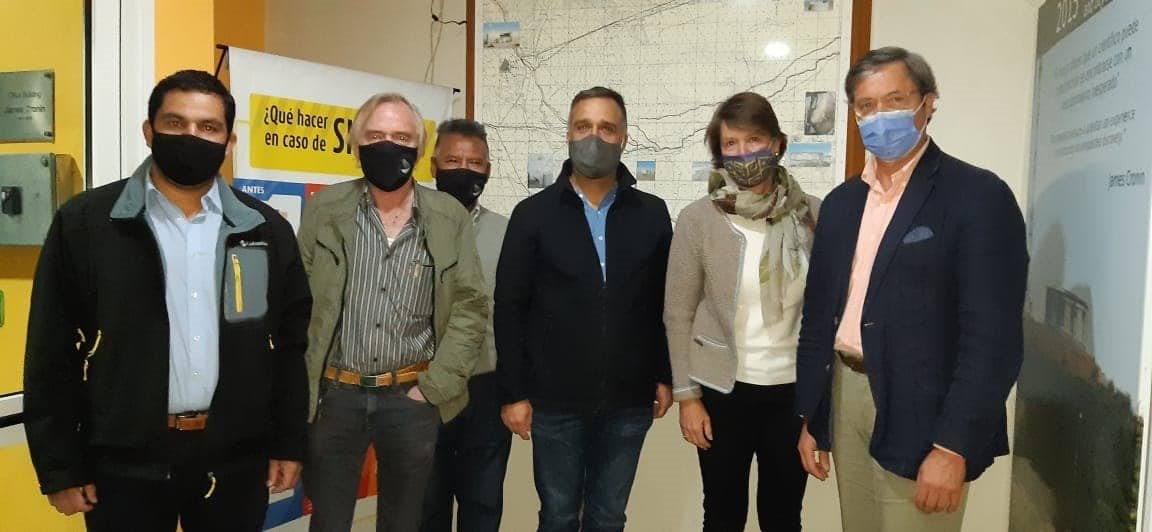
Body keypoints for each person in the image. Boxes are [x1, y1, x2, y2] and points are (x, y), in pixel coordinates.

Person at [23, 69, 312, 531]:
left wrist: (289, 442)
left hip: (234, 461)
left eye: (208, 127)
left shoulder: (263, 229)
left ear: (229, 142)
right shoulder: (87, 223)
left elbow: (289, 346)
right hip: (124, 463)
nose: (191, 136)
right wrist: (60, 466)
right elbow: (50, 351)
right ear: (149, 130)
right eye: (176, 123)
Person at [794, 47, 1029, 531]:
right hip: (846, 393)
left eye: (895, 100)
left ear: (928, 103)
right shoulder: (841, 204)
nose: (880, 115)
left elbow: (993, 338)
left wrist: (953, 445)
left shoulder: (977, 196)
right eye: (866, 105)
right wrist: (813, 417)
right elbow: (819, 316)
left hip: (928, 412)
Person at [296, 93, 488, 532]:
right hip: (335, 397)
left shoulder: (448, 216)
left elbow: (470, 306)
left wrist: (434, 387)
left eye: (401, 137)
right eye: (376, 135)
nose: (388, 145)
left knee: (404, 522)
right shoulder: (325, 209)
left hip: (411, 398)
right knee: (328, 522)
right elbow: (298, 302)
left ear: (419, 151)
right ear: (355, 144)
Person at [495, 86, 673, 532]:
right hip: (554, 402)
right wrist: (513, 393)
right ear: (569, 135)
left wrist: (665, 374)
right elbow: (509, 308)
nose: (594, 137)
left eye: (607, 128)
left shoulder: (652, 213)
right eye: (583, 126)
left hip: (629, 399)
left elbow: (663, 303)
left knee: (608, 517)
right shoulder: (532, 214)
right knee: (557, 516)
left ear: (624, 139)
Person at [665, 92, 819, 531]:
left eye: (754, 140)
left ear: (777, 144)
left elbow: (827, 313)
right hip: (721, 392)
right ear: (719, 153)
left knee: (783, 516)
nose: (744, 153)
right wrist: (687, 397)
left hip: (791, 394)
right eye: (730, 143)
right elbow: (678, 313)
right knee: (722, 515)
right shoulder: (698, 219)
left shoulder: (813, 215)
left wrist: (820, 406)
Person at [421, 119, 511, 532]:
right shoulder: (406, 225)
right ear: (433, 165)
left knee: (483, 506)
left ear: (488, 170)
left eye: (474, 163)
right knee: (425, 508)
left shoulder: (507, 232)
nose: (464, 170)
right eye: (453, 160)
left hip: (486, 389)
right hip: (421, 387)